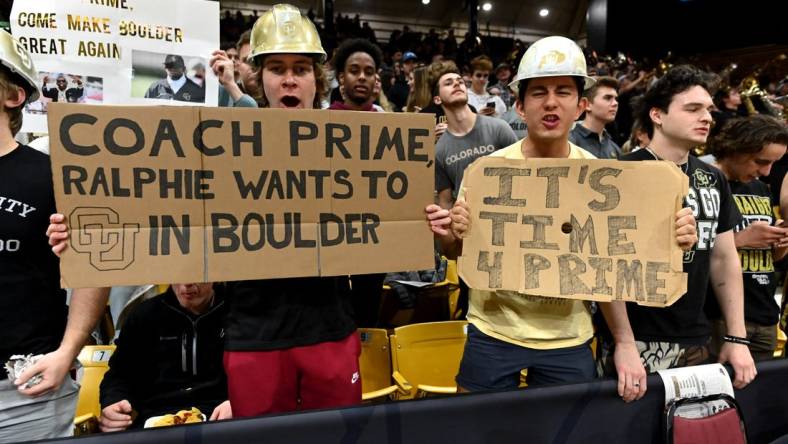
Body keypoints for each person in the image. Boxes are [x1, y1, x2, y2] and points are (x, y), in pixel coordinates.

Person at [425, 36, 696, 395]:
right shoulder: (485, 172)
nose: (550, 102)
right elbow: (454, 252)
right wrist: (449, 232)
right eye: (538, 92)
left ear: (581, 105)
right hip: (493, 333)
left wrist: (671, 239)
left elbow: (608, 269)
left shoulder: (602, 176)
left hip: (568, 340)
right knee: (477, 430)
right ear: (520, 107)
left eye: (563, 91)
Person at [599, 65, 757, 402]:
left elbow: (724, 258)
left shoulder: (712, 178)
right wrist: (624, 341)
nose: (707, 118)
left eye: (709, 109)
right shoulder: (620, 173)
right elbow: (605, 264)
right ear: (657, 114)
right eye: (692, 109)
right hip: (635, 338)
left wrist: (737, 337)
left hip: (696, 336)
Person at [0, 29, 108, 441]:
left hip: (26, 391)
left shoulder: (53, 176)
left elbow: (94, 266)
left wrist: (68, 351)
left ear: (14, 95)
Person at [705, 115, 788, 361]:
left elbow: (770, 259)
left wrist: (779, 243)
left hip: (764, 313)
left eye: (774, 163)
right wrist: (740, 239)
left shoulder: (760, 188)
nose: (766, 172)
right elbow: (687, 254)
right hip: (718, 317)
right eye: (761, 161)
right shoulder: (705, 183)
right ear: (736, 147)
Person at [99, 283, 231, 431]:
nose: (186, 285)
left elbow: (257, 371)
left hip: (220, 416)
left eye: (195, 275)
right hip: (156, 420)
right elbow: (119, 374)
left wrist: (238, 402)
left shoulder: (236, 311)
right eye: (178, 276)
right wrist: (113, 402)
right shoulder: (145, 315)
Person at [431, 60, 517, 210]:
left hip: (507, 220)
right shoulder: (439, 151)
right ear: (437, 99)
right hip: (469, 228)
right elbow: (446, 202)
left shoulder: (499, 128)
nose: (457, 84)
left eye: (460, 82)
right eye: (448, 83)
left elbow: (524, 174)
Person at [568, 76, 621, 158]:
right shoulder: (569, 141)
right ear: (587, 105)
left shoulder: (614, 149)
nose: (615, 103)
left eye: (616, 99)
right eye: (608, 98)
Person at [329, 38, 383, 111]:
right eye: (354, 71)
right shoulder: (323, 118)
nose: (362, 77)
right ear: (341, 77)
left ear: (375, 78)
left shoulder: (384, 120)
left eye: (369, 72)